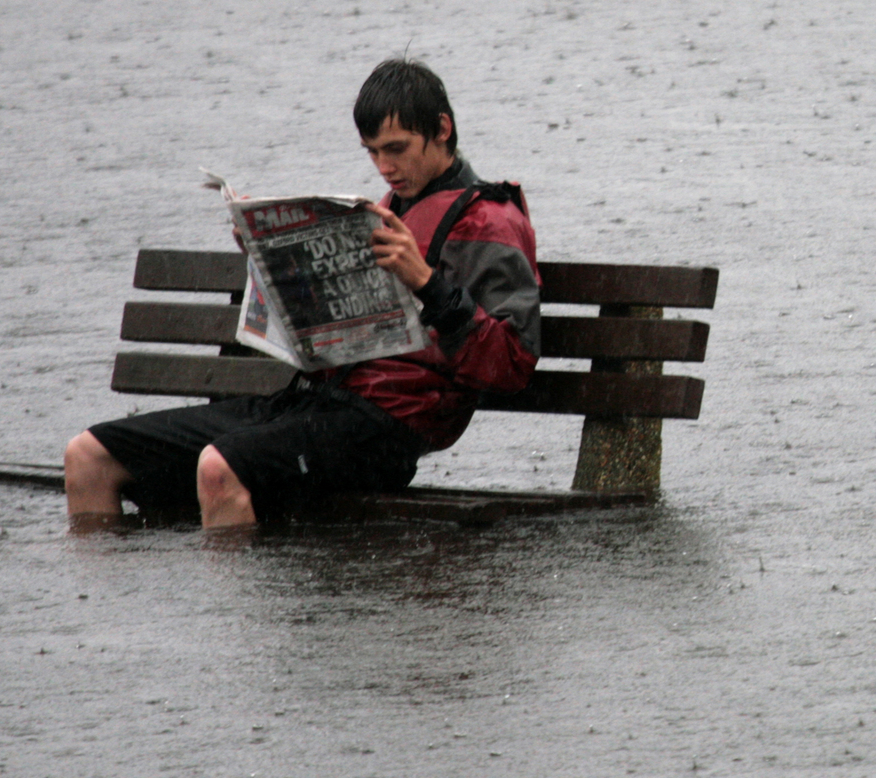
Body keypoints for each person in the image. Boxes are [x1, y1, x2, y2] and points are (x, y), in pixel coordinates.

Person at [63, 59, 541, 530]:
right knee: (88, 457)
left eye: (396, 148)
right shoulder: (383, 211)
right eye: (372, 152)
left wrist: (429, 285)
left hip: (389, 430)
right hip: (315, 403)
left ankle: (233, 609)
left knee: (218, 469)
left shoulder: (492, 222)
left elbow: (511, 366)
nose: (384, 167)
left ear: (441, 128)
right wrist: (274, 268)